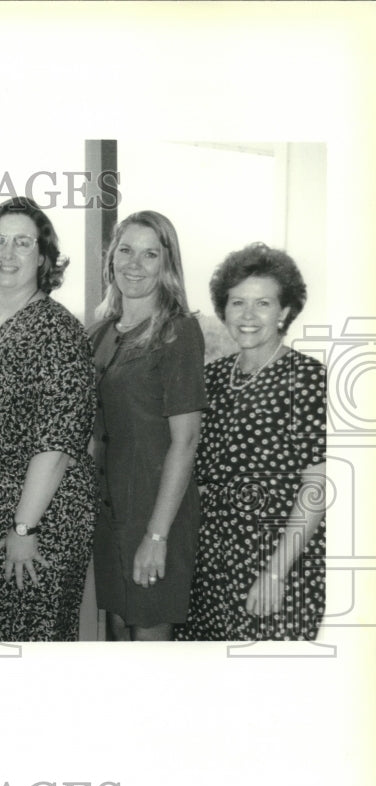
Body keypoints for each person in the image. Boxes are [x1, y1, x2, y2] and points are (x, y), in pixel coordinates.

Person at [0, 197, 96, 642]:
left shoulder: (56, 330)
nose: (8, 254)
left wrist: (24, 528)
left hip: (35, 525)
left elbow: (56, 445)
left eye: (23, 243)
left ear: (43, 257)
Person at [178, 243, 326, 641]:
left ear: (284, 311)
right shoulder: (211, 378)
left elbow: (316, 487)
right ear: (223, 309)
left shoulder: (308, 380)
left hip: (275, 560)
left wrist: (276, 571)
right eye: (237, 302)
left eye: (262, 303)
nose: (247, 315)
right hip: (210, 562)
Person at [90, 210, 206, 641]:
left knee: (148, 644)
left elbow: (187, 440)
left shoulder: (178, 332)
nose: (134, 264)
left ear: (167, 265)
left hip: (157, 510)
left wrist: (156, 535)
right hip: (110, 508)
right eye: (125, 250)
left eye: (149, 254)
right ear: (111, 258)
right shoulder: (100, 333)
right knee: (119, 631)